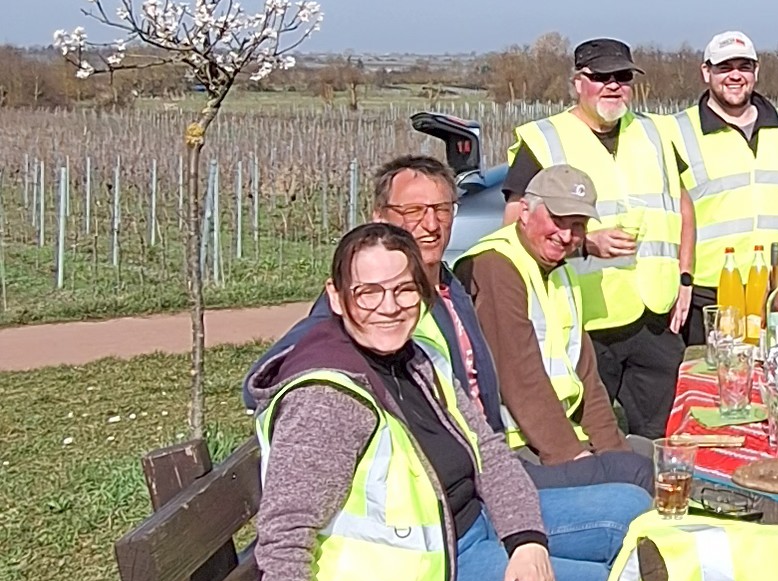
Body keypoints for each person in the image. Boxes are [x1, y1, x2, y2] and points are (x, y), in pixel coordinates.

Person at [241, 223, 649, 581]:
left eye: (404, 288)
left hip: (468, 534)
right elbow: (285, 538)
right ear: (336, 298)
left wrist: (526, 539)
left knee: (632, 509)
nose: (389, 305)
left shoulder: (415, 359)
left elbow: (491, 456)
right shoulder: (328, 397)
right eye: (369, 292)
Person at [244, 155, 647, 493]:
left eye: (441, 210)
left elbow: (576, 374)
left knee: (653, 465)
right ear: (379, 218)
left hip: (487, 466)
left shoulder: (451, 286)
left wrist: (606, 450)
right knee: (638, 483)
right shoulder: (364, 303)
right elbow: (281, 367)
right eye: (413, 212)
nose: (431, 225)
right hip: (459, 483)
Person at [503, 37, 694, 438]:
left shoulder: (656, 132)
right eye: (600, 76)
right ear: (578, 83)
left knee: (662, 440)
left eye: (622, 77)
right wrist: (585, 241)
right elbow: (515, 225)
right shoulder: (545, 138)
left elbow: (683, 205)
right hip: (584, 320)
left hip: (656, 319)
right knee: (587, 438)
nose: (612, 85)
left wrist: (686, 277)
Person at [457, 164, 653, 485]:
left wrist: (613, 450)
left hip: (559, 433)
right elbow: (519, 378)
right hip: (514, 445)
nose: (567, 236)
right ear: (524, 212)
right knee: (641, 477)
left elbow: (587, 378)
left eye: (578, 226)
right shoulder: (494, 266)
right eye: (557, 220)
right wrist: (573, 458)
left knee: (655, 459)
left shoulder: (562, 272)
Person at [664, 31, 778, 343]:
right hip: (711, 295)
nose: (735, 76)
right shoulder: (675, 131)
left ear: (757, 71)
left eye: (744, 66)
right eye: (725, 68)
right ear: (706, 72)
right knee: (719, 387)